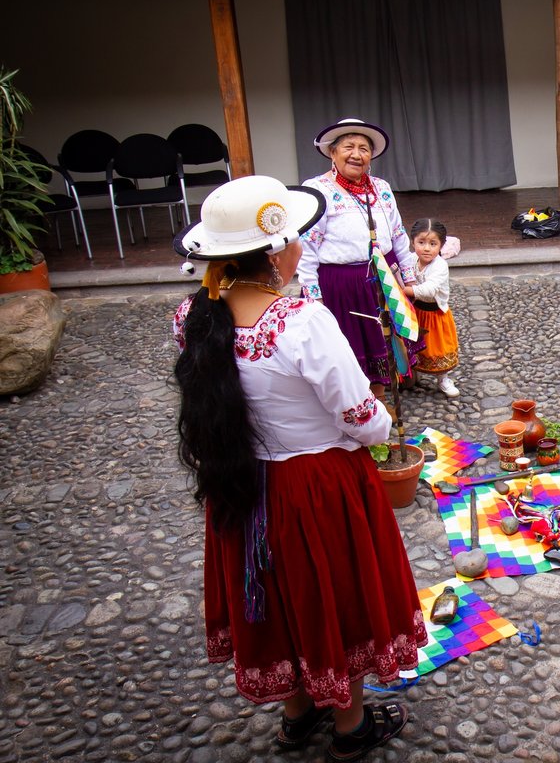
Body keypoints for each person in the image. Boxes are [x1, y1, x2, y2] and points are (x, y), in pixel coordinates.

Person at [171, 175, 428, 759]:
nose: (300, 249)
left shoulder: (194, 318)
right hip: (314, 484)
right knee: (332, 590)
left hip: (240, 484)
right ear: (273, 252)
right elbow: (363, 418)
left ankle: (296, 711)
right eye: (297, 240)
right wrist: (383, 428)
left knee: (278, 591)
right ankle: (349, 724)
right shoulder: (300, 321)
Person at [298, 118, 419, 399]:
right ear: (333, 153)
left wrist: (409, 278)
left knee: (382, 340)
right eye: (348, 147)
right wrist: (314, 296)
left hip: (381, 278)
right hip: (340, 284)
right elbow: (307, 248)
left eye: (364, 148)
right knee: (347, 346)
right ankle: (353, 404)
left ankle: (377, 398)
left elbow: (398, 233)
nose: (357, 154)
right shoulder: (318, 190)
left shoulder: (381, 187)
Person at [402, 218, 460, 398]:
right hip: (416, 311)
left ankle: (443, 379)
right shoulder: (410, 260)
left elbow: (429, 290)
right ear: (413, 242)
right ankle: (414, 374)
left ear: (441, 245)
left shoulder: (440, 266)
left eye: (433, 243)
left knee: (439, 347)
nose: (426, 248)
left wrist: (406, 290)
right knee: (415, 343)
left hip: (435, 314)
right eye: (421, 242)